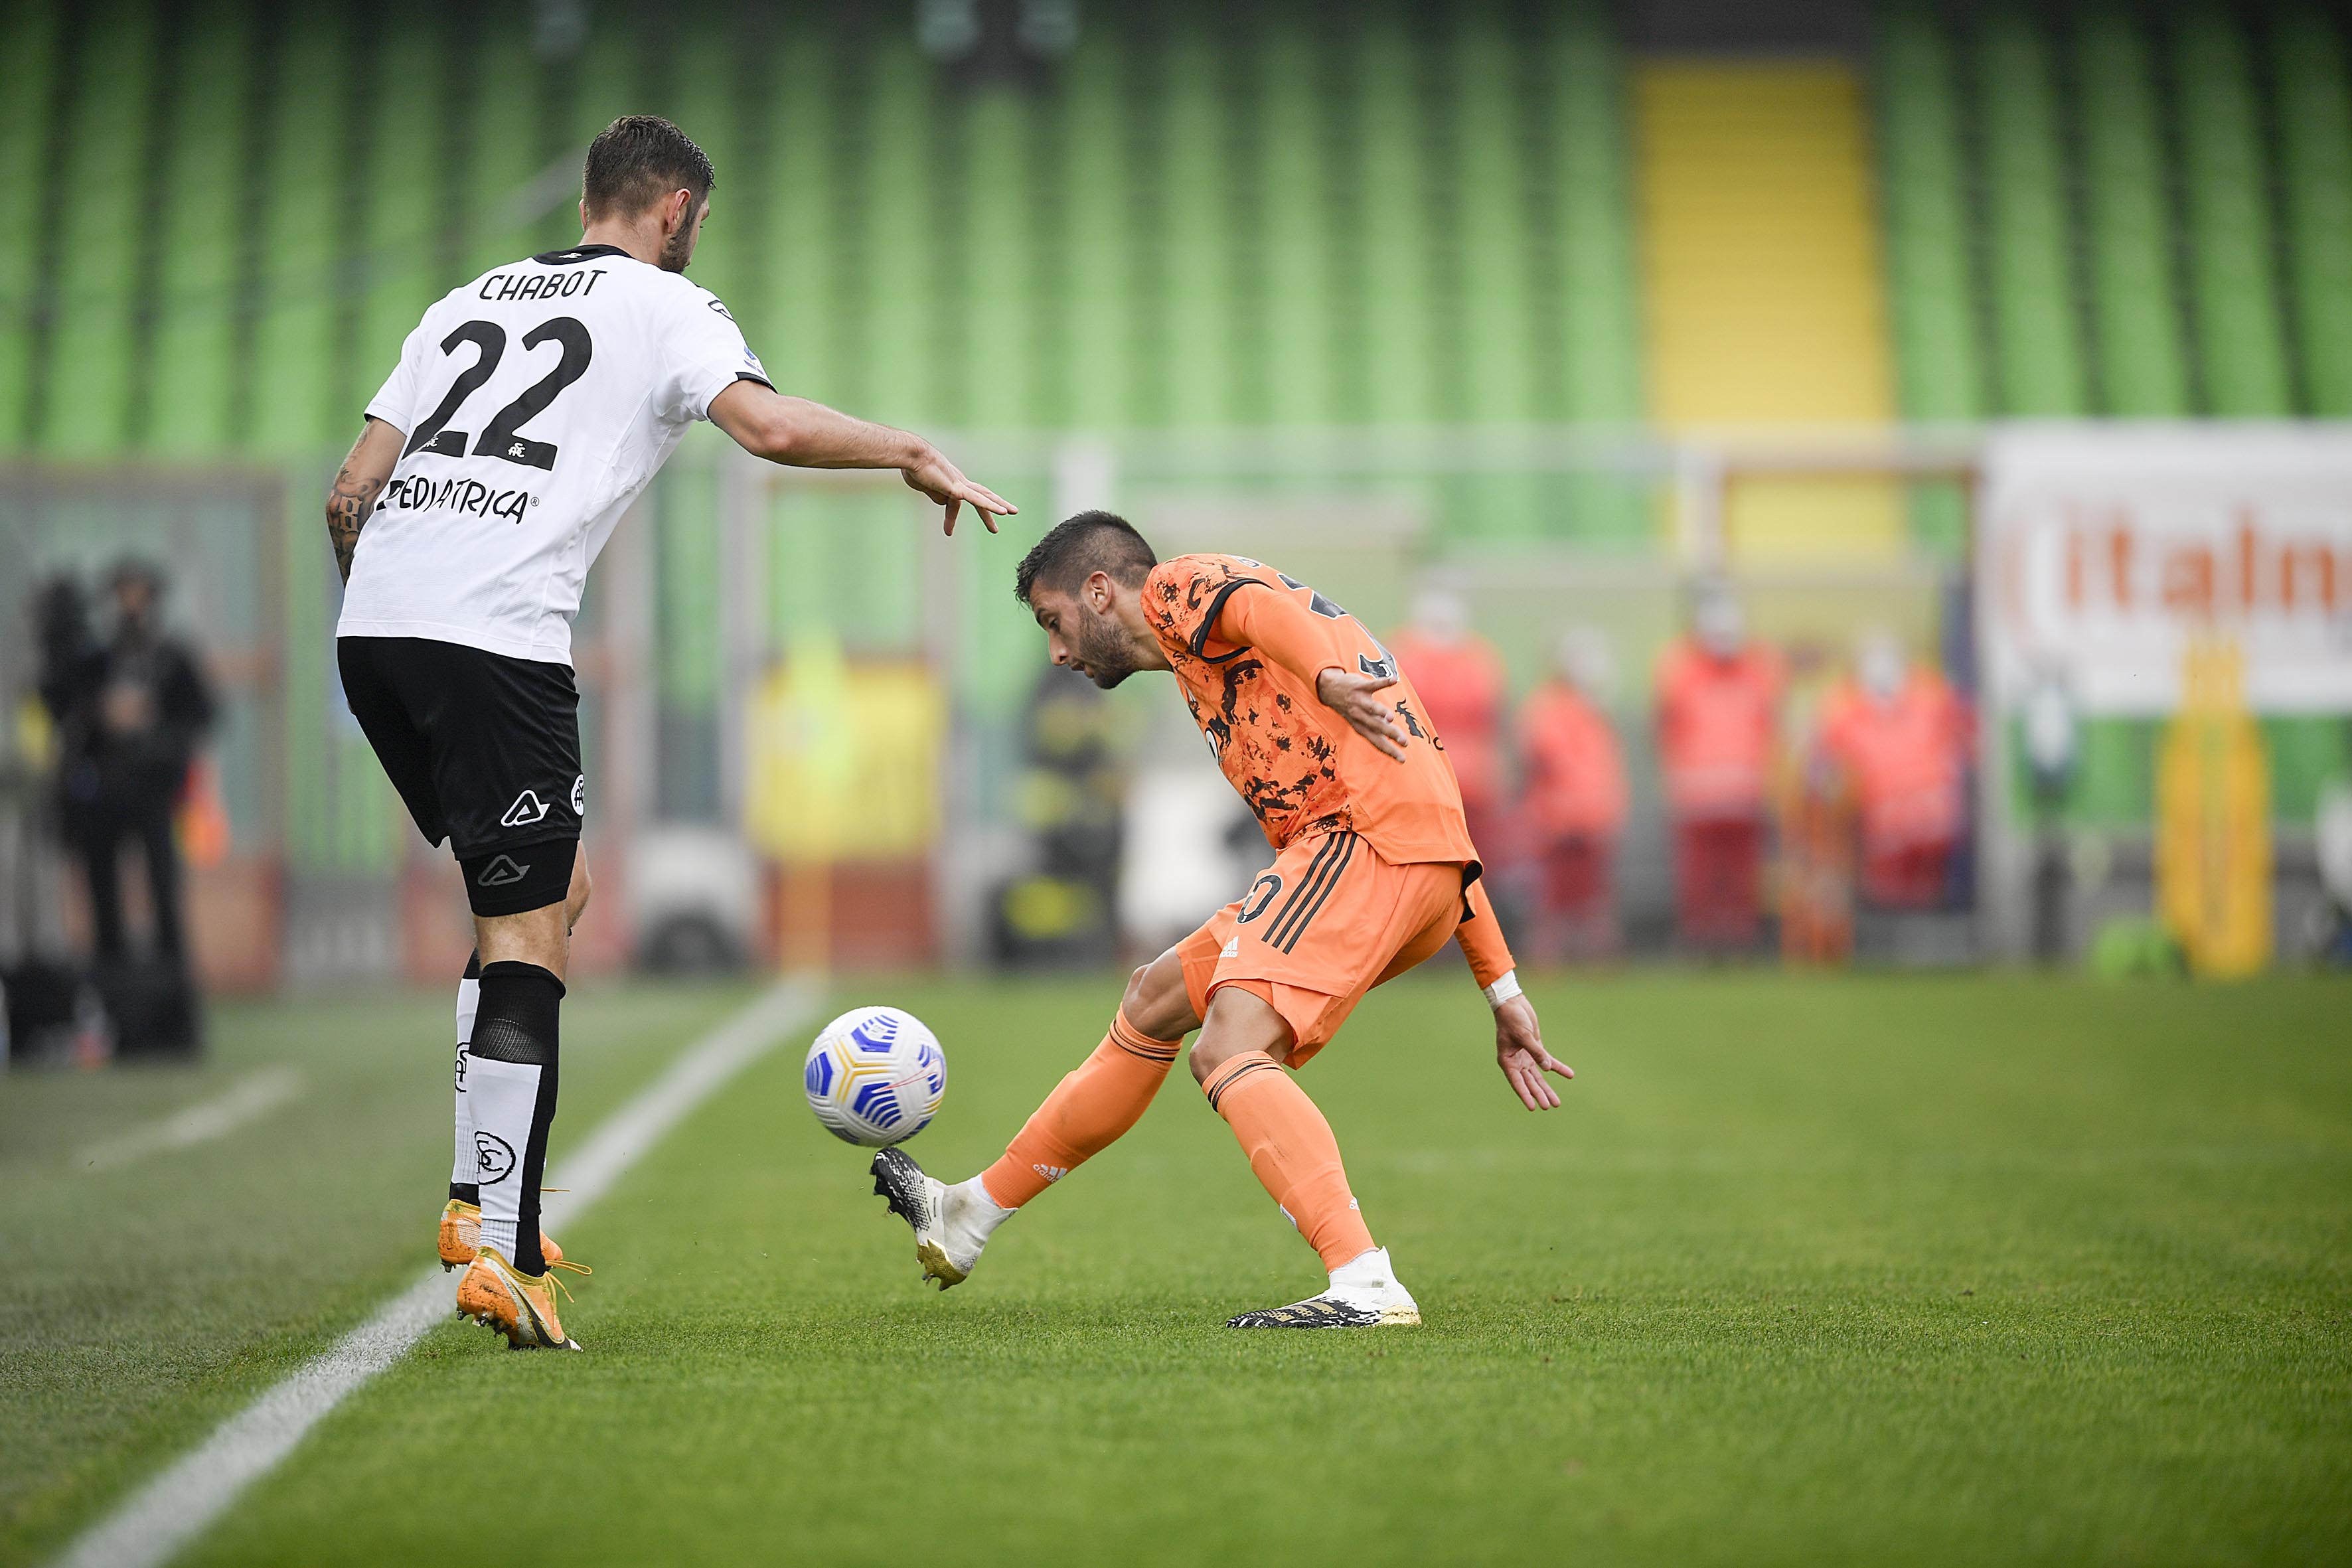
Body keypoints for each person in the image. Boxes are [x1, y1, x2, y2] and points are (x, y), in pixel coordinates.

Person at [325, 116, 1013, 1351]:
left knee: (555, 893)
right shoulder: (663, 307)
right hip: (494, 639)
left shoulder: (462, 299)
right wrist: (909, 450)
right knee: (528, 930)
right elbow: (768, 428)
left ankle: (489, 1208)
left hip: (375, 628)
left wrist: (392, 609)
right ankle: (491, 1232)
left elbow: (349, 489)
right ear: (678, 209)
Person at [870, 514, 1571, 1328]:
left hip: (1358, 842)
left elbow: (1256, 613)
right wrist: (1502, 984)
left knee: (1231, 1045)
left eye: (1054, 622)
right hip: (1403, 861)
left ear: (1101, 590)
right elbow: (1440, 823)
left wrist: (1325, 678)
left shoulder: (1176, 588)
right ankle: (969, 1216)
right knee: (1156, 996)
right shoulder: (1211, 653)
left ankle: (1365, 1282)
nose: (1057, 652)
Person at [54, 562, 215, 969]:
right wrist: (101, 713)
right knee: (103, 886)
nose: (131, 603)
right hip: (105, 787)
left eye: (138, 593)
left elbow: (200, 716)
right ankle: (113, 981)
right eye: (124, 593)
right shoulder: (97, 659)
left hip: (154, 788)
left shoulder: (172, 657)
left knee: (163, 883)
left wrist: (154, 723)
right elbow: (66, 708)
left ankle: (169, 981)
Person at [1654, 584, 1782, 951]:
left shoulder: (1760, 669)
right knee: (1701, 878)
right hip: (1697, 798)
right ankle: (1702, 942)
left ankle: (1740, 941)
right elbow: (1664, 726)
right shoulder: (1679, 669)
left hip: (1746, 795)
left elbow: (1771, 726)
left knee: (1741, 877)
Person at [1814, 633, 1968, 910]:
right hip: (1883, 827)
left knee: (1926, 896)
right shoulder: (1846, 710)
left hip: (1931, 823)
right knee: (1890, 898)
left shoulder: (1930, 696)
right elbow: (1822, 760)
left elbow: (1965, 736)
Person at [1518, 628, 1627, 960]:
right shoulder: (1546, 707)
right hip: (1557, 820)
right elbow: (1544, 758)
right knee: (1553, 900)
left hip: (1591, 819)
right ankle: (1551, 959)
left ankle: (1595, 960)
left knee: (1592, 899)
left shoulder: (1593, 710)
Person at [1386, 587, 1510, 856]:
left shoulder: (1479, 660)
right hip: (1417, 784)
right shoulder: (1402, 655)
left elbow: (1493, 721)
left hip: (1470, 790)